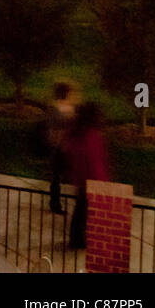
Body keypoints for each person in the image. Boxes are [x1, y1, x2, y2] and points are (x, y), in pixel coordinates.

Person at [65, 102, 109, 249]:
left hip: (83, 179)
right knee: (83, 211)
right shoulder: (90, 136)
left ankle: (78, 238)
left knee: (81, 210)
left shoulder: (78, 134)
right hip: (90, 180)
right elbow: (95, 160)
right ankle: (78, 239)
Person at [44, 81, 79, 215]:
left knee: (62, 177)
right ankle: (55, 204)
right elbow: (52, 130)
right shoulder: (55, 110)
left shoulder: (68, 108)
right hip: (59, 148)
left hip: (67, 147)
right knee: (57, 178)